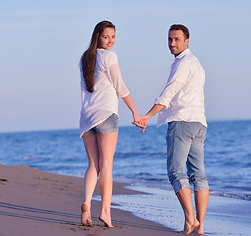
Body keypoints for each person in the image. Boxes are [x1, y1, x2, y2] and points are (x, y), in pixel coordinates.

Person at [134, 24, 209, 235]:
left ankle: (190, 219)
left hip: (182, 121)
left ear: (187, 41)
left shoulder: (183, 64)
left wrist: (147, 116)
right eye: (169, 39)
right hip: (199, 122)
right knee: (199, 175)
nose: (172, 43)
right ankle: (200, 227)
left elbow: (169, 93)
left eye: (176, 39)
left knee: (176, 171)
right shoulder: (197, 64)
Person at [79, 20, 143, 228]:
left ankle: (87, 205)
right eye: (106, 37)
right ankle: (105, 212)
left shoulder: (85, 57)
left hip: (87, 117)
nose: (110, 41)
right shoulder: (109, 56)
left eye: (113, 37)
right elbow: (120, 86)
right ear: (97, 36)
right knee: (106, 164)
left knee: (92, 165)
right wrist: (135, 111)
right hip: (106, 114)